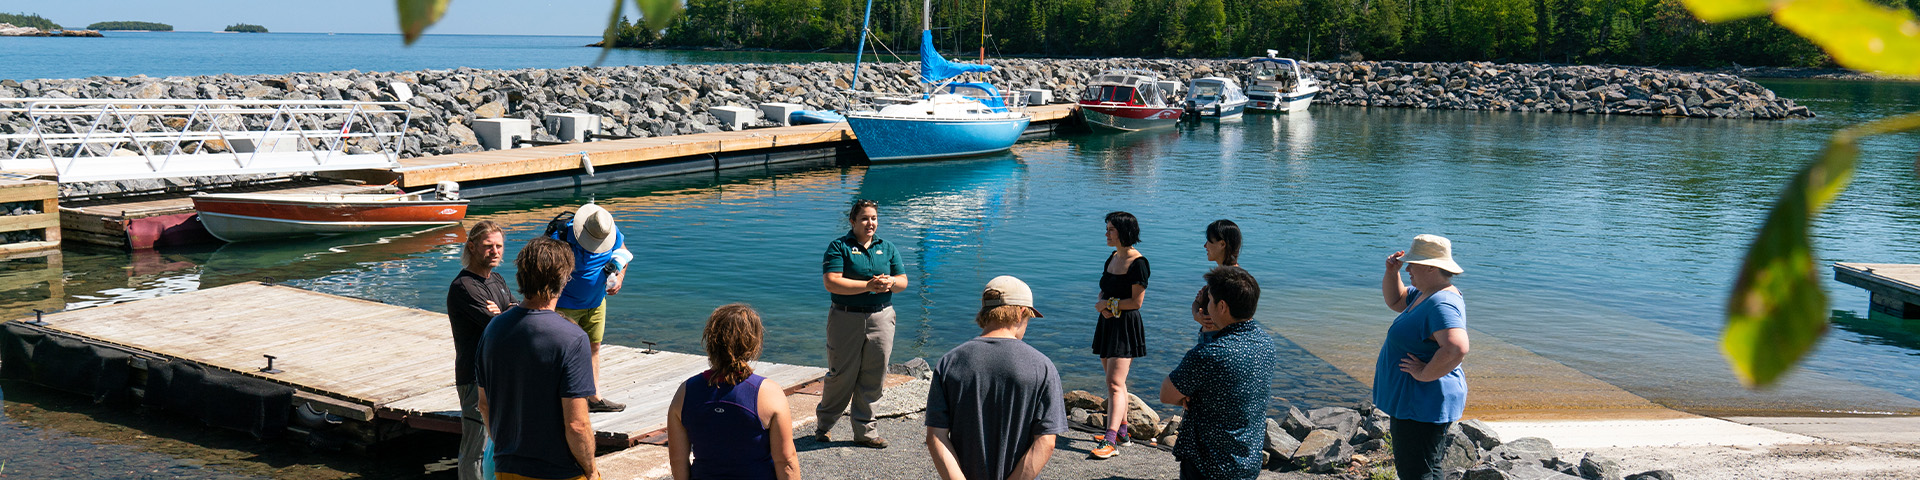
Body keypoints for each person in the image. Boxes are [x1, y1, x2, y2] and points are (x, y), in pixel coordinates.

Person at [477, 237, 599, 480]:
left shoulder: (493, 329)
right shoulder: (572, 338)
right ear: (563, 279)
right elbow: (577, 425)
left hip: (506, 466)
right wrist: (591, 469)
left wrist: (505, 450)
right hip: (559, 471)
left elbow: (484, 404)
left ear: (521, 277)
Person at [925, 276, 1067, 480]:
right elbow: (1046, 442)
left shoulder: (950, 362)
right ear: (1020, 314)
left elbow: (935, 437)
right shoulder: (1042, 366)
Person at [1160, 266, 1276, 479]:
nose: (1207, 306)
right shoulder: (1266, 343)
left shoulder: (1210, 354)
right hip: (1248, 461)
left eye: (1210, 300)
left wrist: (1189, 397)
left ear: (1222, 306)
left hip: (1209, 465)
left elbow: (1166, 394)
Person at [667, 304, 801, 480]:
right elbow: (786, 460)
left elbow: (677, 460)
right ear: (753, 344)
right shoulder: (768, 393)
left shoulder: (685, 392)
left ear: (711, 341)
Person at [1376, 234, 1470, 480]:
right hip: (1416, 401)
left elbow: (1457, 348)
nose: (1408, 268)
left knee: (1419, 472)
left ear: (1431, 267)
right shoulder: (1424, 293)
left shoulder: (1441, 302)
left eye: (1413, 264)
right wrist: (1391, 272)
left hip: (1423, 402)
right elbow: (1395, 301)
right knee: (1419, 468)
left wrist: (1423, 373)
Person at [816, 199, 907, 448]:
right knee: (840, 375)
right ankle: (824, 426)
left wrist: (889, 283)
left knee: (874, 375)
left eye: (874, 218)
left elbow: (903, 281)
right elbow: (832, 282)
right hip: (846, 317)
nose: (870, 223)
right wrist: (868, 285)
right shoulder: (839, 247)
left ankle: (865, 432)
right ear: (853, 221)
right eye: (865, 218)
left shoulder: (887, 247)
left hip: (881, 317)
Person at [548, 203, 633, 413]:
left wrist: (620, 276)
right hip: (564, 306)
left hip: (596, 303)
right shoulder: (561, 238)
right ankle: (558, 399)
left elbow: (623, 253)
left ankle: (594, 398)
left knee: (594, 348)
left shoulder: (609, 232)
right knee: (562, 353)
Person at [447, 221, 516, 480]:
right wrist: (505, 314)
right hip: (474, 377)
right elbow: (498, 324)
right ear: (472, 247)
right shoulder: (465, 286)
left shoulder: (496, 279)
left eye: (499, 246)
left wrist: (506, 313)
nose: (495, 251)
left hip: (499, 374)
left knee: (497, 442)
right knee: (476, 446)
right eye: (488, 246)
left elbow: (515, 313)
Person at [1089, 211, 1148, 459]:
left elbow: (1136, 302)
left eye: (1110, 229)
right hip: (1107, 323)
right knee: (1115, 383)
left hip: (1124, 326)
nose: (1106, 233)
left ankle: (1111, 441)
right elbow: (1104, 288)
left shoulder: (1139, 263)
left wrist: (1108, 306)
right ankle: (1122, 433)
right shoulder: (1112, 257)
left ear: (1123, 233)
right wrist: (1102, 303)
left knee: (1114, 383)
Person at [1191, 220, 1241, 339]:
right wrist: (1197, 315)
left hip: (1217, 341)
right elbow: (1198, 302)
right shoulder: (1219, 276)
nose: (1205, 246)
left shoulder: (1233, 279)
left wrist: (1197, 313)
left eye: (1209, 241)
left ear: (1222, 244)